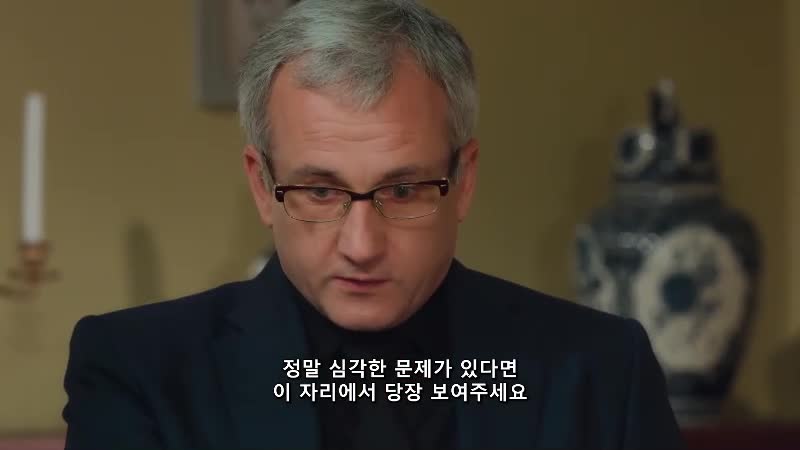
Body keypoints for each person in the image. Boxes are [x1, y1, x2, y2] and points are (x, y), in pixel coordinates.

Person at [62, 0, 685, 448]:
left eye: (404, 190)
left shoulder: (605, 370)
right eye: (319, 190)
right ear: (261, 185)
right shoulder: (139, 369)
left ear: (464, 180)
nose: (361, 246)